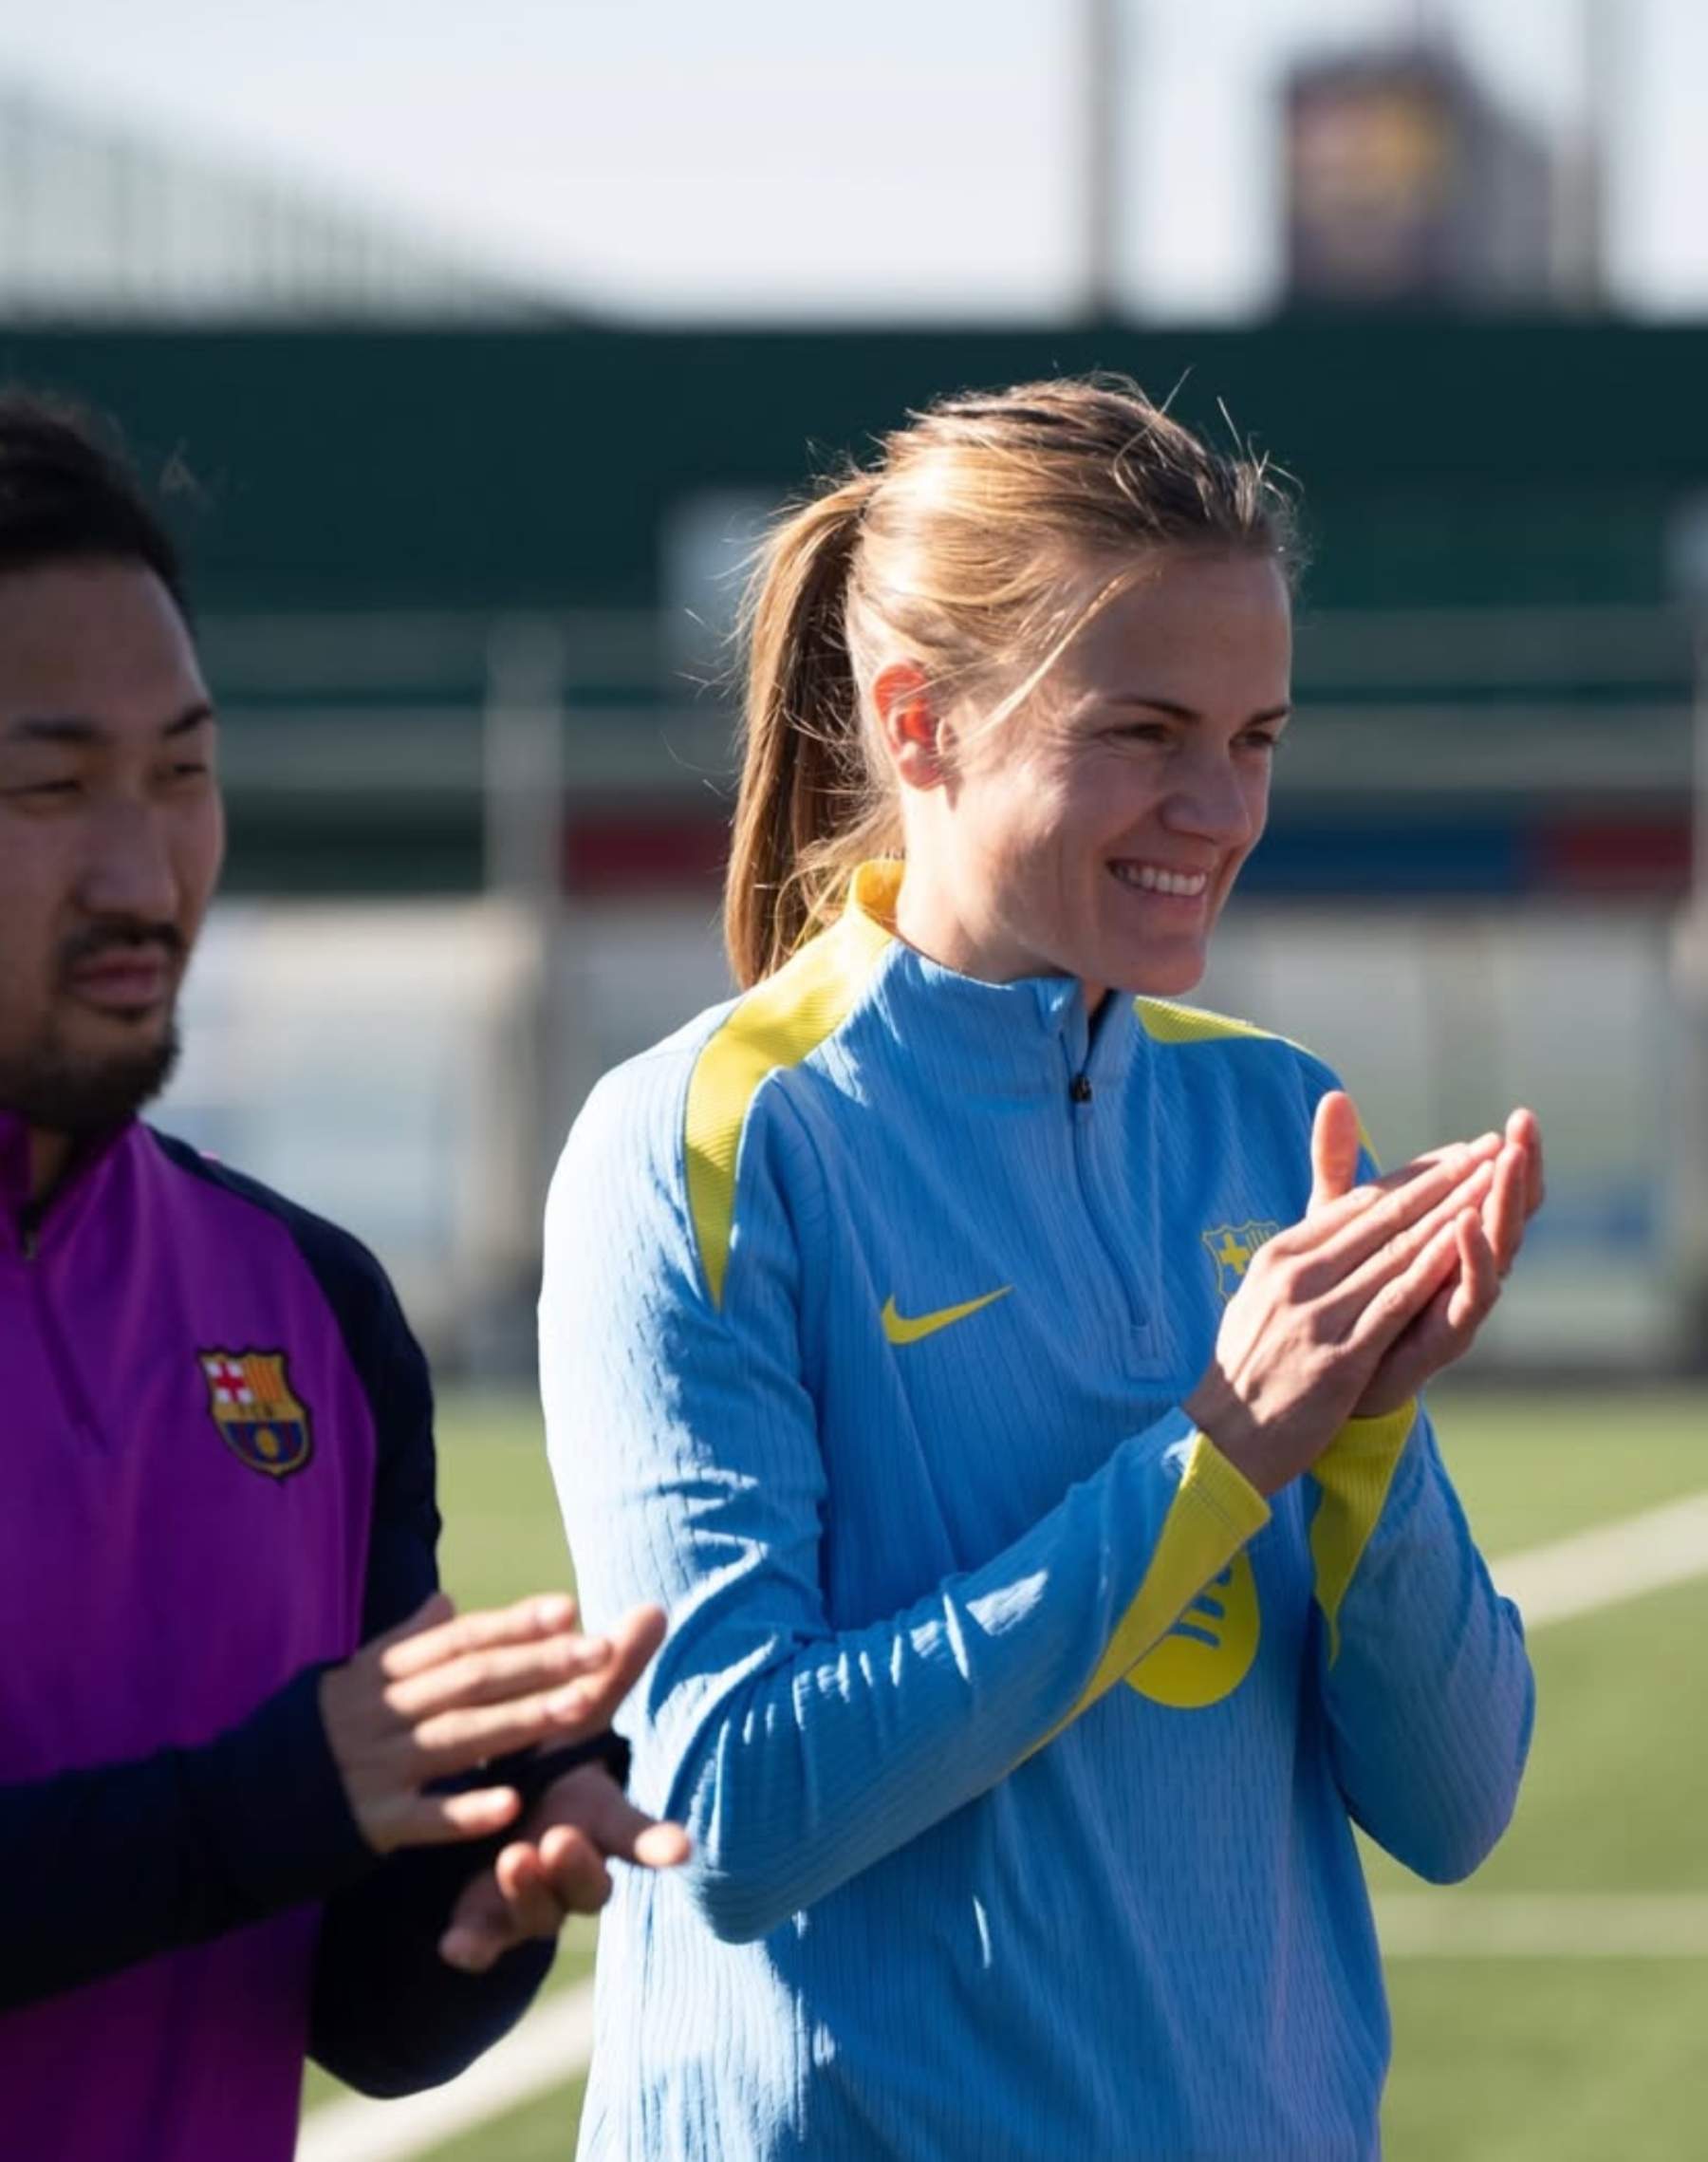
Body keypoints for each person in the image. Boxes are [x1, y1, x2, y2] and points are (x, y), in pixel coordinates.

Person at [539, 376, 1542, 2162]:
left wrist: (1365, 1439)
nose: (1218, 808)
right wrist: (1218, 1454)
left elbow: (1458, 1802)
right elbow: (737, 1804)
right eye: (1146, 729)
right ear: (920, 721)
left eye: (1257, 737)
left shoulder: (1276, 1122)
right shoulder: (707, 1139)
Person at [0, 392, 689, 2162]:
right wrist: (283, 1794)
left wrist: (484, 1856)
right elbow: (260, 1810)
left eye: (185, 771)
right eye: (51, 784)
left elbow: (357, 2020)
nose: (144, 870)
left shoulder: (305, 1307)